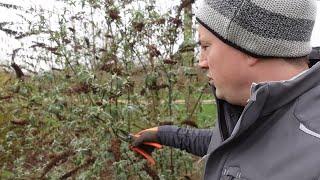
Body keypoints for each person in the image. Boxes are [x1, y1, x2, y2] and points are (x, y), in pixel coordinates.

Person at [132, 0, 320, 179]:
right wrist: (162, 134)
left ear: (250, 44)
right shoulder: (270, 111)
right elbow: (233, 145)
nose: (201, 62)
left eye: (206, 46)